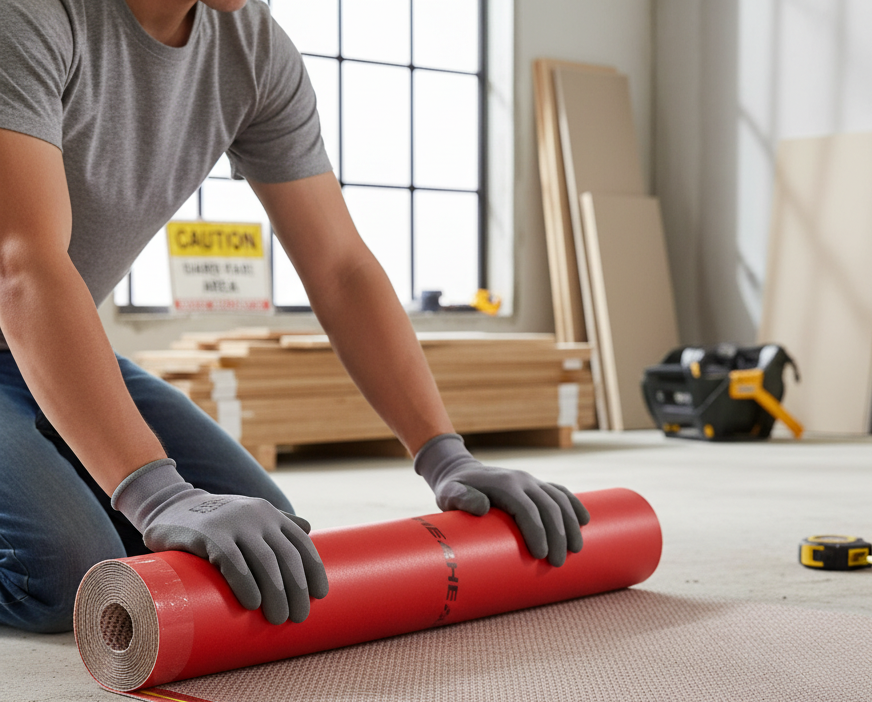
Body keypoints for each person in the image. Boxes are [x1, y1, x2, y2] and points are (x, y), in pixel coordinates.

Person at [0, 0, 589, 634]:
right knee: (61, 572)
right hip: (25, 310)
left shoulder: (248, 47)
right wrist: (156, 494)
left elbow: (340, 268)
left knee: (260, 530)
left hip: (27, 348)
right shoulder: (30, 15)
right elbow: (23, 263)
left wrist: (446, 457)